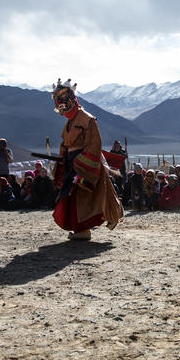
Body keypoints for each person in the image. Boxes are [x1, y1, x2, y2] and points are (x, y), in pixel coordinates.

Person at [51, 79, 123, 240]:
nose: (62, 106)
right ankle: (80, 230)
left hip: (84, 164)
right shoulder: (69, 123)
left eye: (64, 100)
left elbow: (94, 143)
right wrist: (63, 157)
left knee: (82, 198)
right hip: (72, 164)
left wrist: (81, 164)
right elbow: (66, 143)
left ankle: (83, 230)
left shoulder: (87, 119)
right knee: (71, 197)